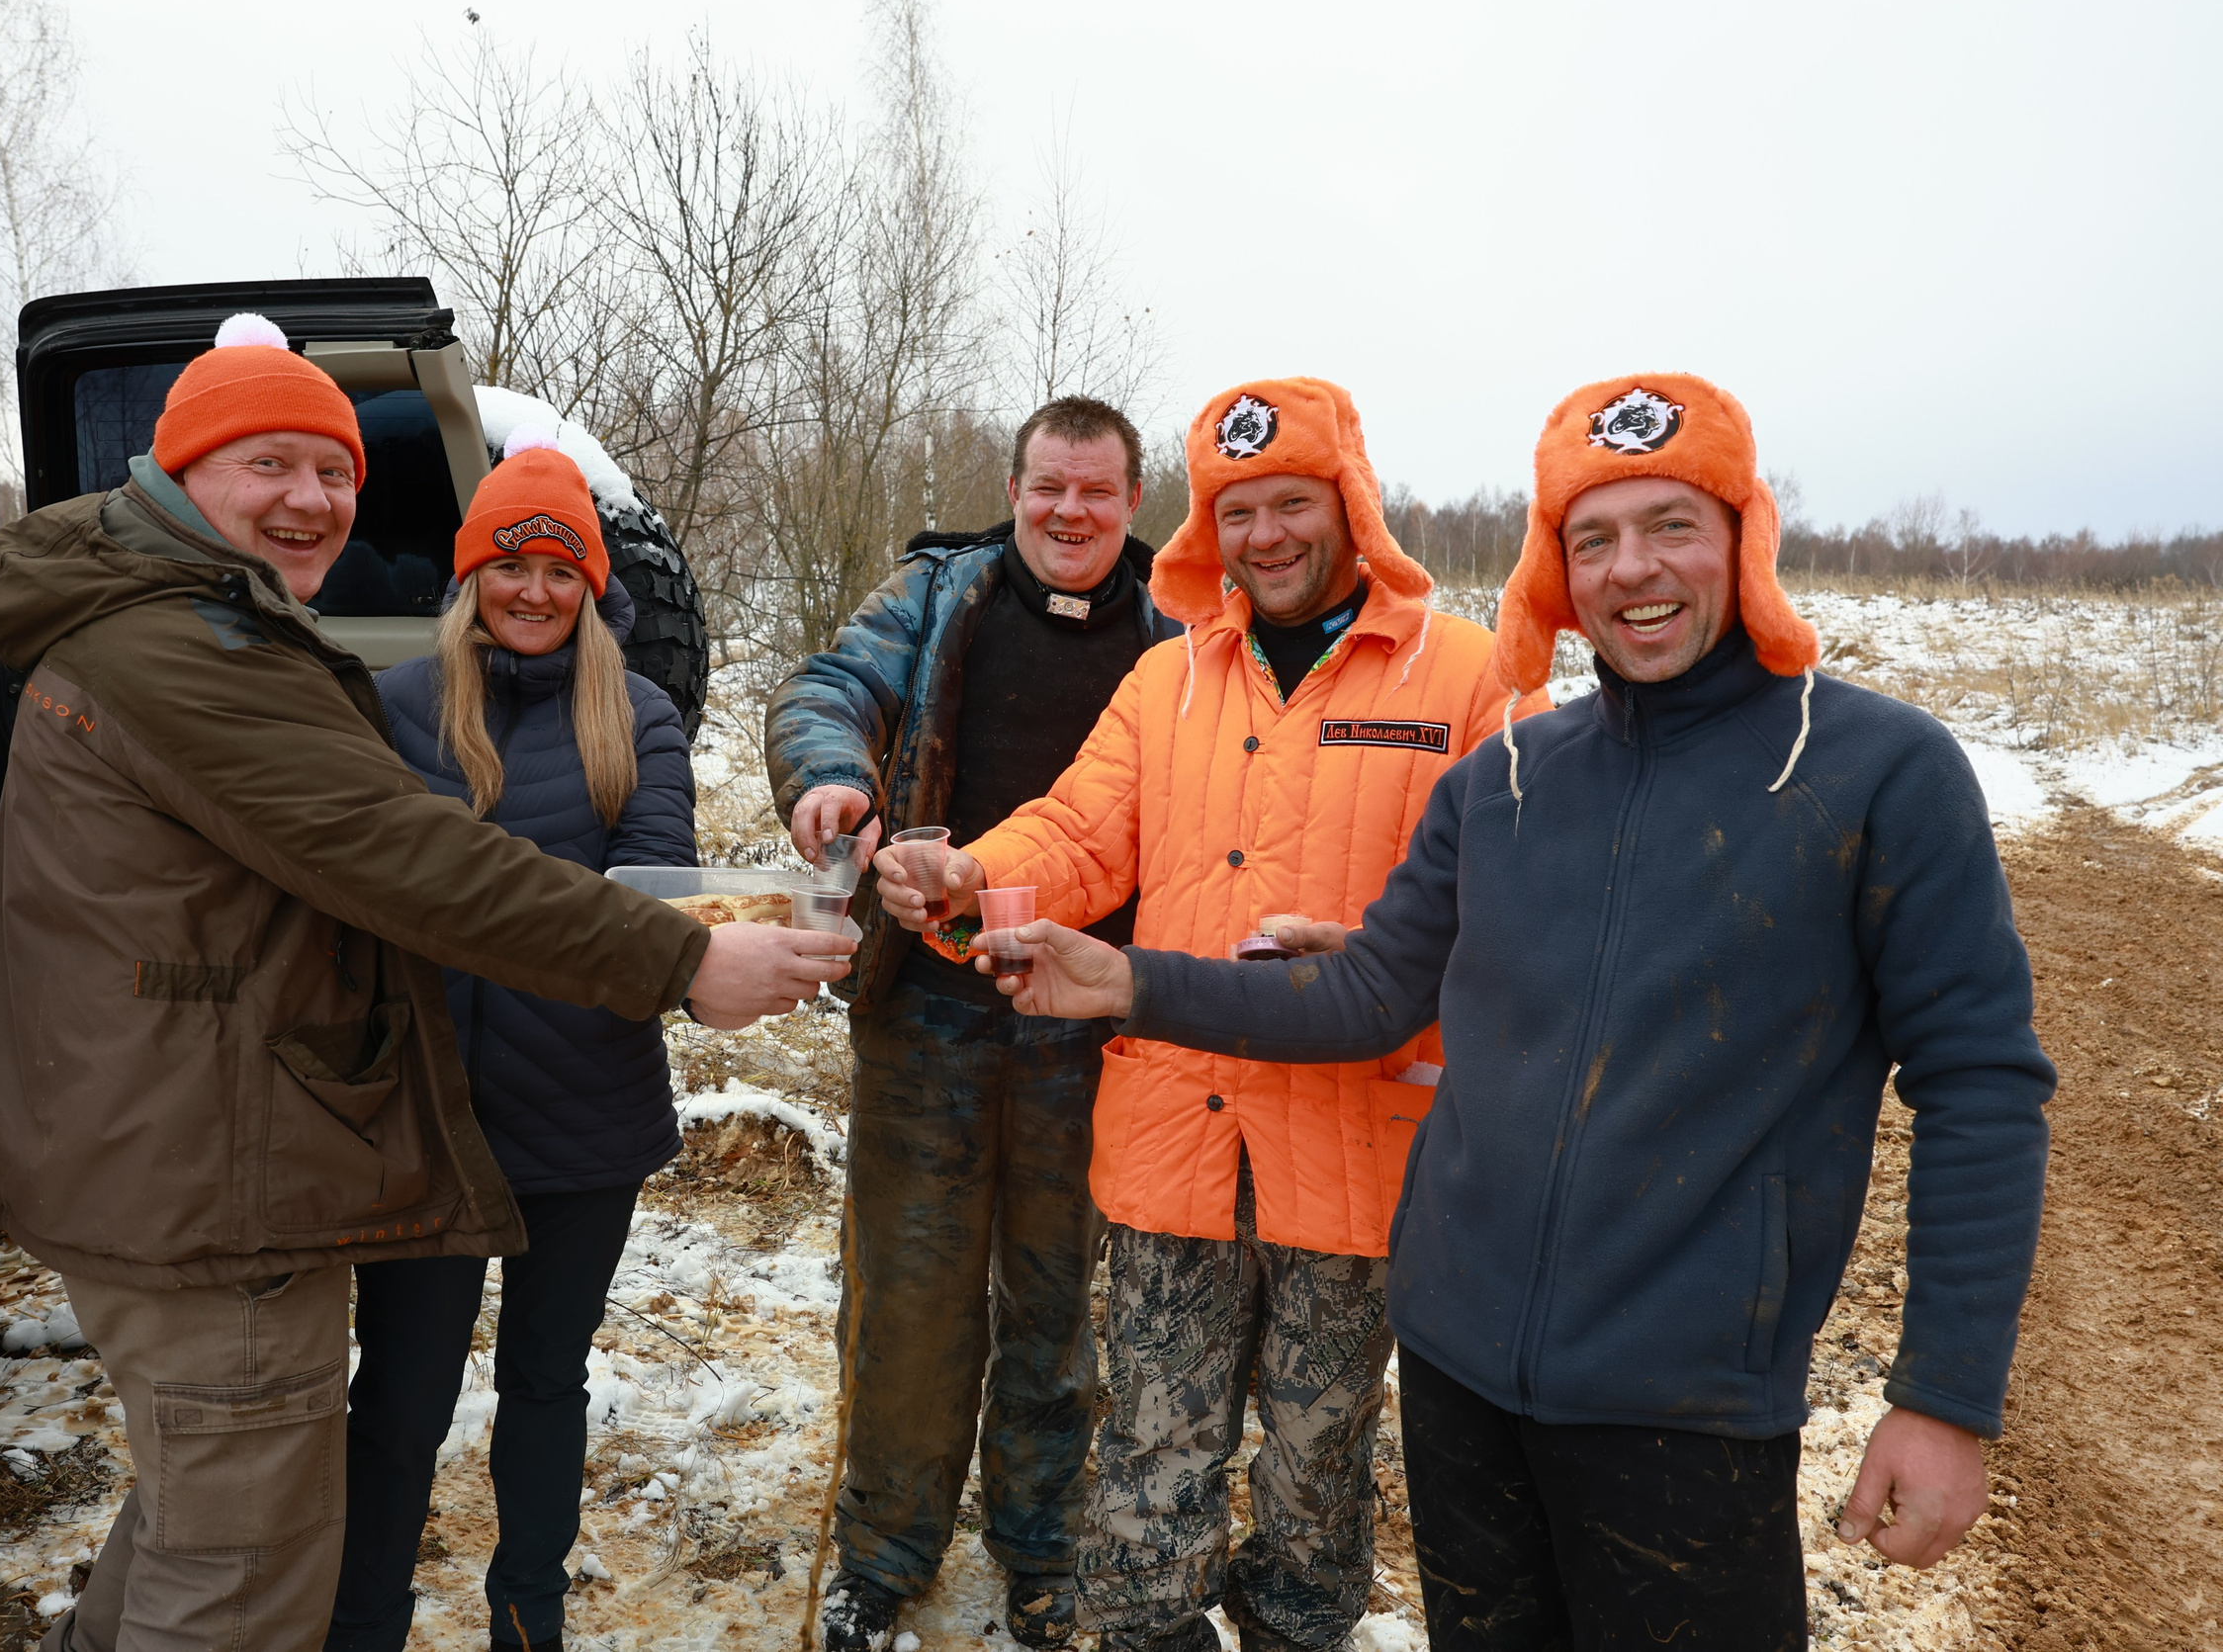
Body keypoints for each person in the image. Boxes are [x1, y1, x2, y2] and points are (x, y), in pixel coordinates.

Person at [978, 373, 2058, 1651]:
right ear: (1553, 566)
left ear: (1742, 536)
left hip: (1691, 1410)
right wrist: (1133, 980)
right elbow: (1372, 988)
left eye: (1671, 523)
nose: (1631, 567)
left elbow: (1982, 1083)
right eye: (1590, 536)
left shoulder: (1870, 770)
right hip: (1455, 1383)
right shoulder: (1506, 779)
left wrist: (1942, 1396)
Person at [0, 315, 847, 1652]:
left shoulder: (205, 633)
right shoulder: (222, 657)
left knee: (207, 1514)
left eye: (337, 472)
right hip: (236, 1157)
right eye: (271, 464)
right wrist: (680, 958)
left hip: (344, 1131)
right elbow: (407, 864)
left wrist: (705, 925)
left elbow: (588, 873)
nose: (311, 498)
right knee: (243, 1563)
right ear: (183, 469)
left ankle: (520, 1611)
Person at [872, 379, 1542, 1652]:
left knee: (1313, 1479)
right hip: (1175, 1142)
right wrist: (968, 872)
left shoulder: (1468, 678)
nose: (1266, 536)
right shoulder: (1167, 680)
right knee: (1148, 1471)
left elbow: (1536, 897)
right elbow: (1077, 834)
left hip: (1356, 1165)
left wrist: (1397, 962)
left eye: (1294, 503)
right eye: (1238, 511)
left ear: (1351, 505)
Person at [763, 395, 1181, 1650]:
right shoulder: (939, 599)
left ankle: (1042, 1549)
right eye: (1047, 487)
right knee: (911, 1293)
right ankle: (884, 1555)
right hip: (926, 1014)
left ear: (1131, 501)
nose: (1069, 513)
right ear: (1013, 489)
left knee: (1056, 1307)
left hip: (1091, 1025)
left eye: (1095, 492)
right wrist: (831, 775)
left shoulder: (1182, 633)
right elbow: (826, 685)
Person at [324, 425, 698, 1652]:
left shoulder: (635, 715)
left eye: (559, 571)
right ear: (469, 576)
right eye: (508, 565)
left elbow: (655, 902)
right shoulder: (394, 708)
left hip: (584, 1116)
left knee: (546, 1384)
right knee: (400, 1400)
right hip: (426, 1118)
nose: (532, 592)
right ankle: (363, 1622)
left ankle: (527, 1619)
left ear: (593, 588)